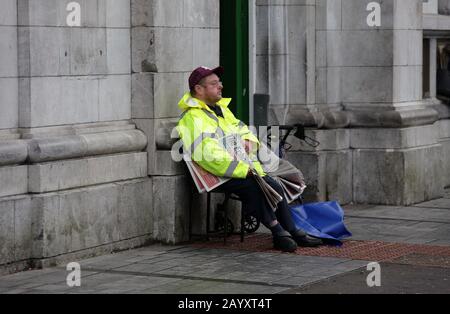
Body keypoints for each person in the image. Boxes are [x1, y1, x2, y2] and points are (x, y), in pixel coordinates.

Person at [176, 66, 323, 252]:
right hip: (216, 175)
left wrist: (249, 141)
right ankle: (278, 230)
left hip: (241, 169)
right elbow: (207, 155)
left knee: (274, 184)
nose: (221, 86)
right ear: (199, 89)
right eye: (214, 84)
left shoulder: (221, 110)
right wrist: (242, 169)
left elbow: (244, 130)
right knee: (254, 187)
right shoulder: (192, 118)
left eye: (219, 82)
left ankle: (291, 230)